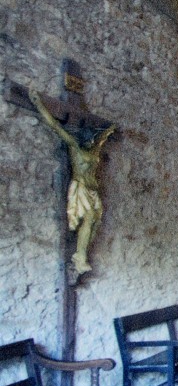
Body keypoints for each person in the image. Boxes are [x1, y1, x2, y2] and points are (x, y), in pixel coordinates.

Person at [29, 88, 116, 276]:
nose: (92, 141)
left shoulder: (94, 150)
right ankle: (79, 257)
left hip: (93, 191)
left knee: (95, 222)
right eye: (89, 139)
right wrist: (38, 104)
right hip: (82, 188)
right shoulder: (75, 148)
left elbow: (101, 139)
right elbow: (55, 126)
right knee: (90, 218)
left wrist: (109, 130)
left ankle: (82, 253)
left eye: (92, 140)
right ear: (82, 138)